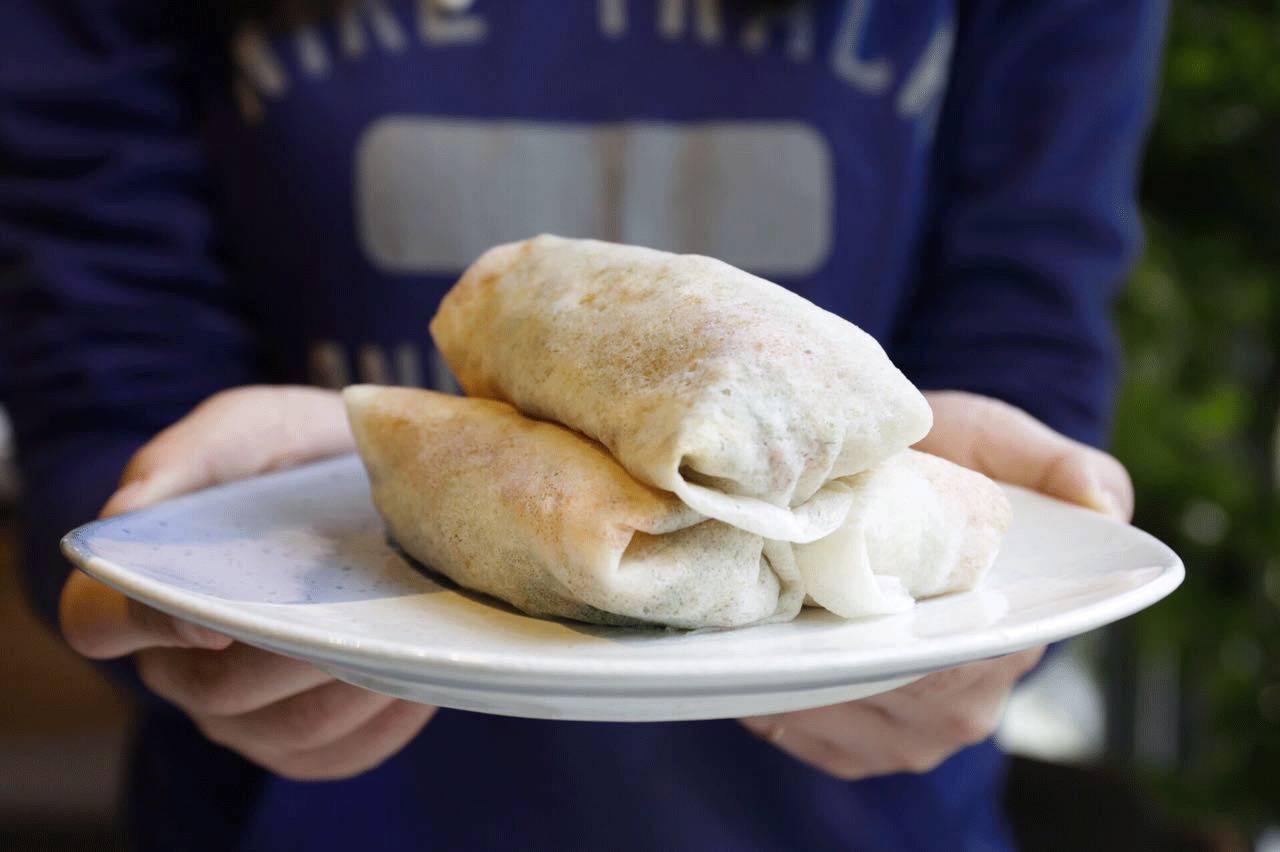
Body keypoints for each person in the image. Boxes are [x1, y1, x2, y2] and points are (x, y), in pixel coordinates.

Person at [0, 1, 1162, 849]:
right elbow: (100, 328)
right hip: (290, 805)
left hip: (857, 809)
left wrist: (999, 604)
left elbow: (1025, 301)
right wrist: (162, 541)